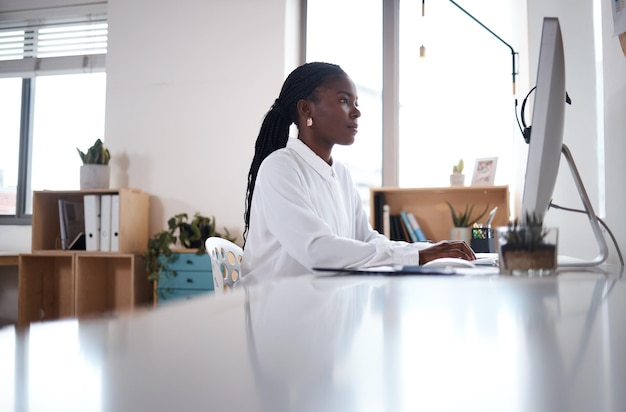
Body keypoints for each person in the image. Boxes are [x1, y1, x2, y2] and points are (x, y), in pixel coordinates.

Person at [241, 62, 474, 282]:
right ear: (306, 109)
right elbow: (316, 250)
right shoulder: (280, 167)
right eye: (344, 100)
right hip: (274, 310)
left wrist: (425, 249)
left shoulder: (340, 174)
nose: (356, 112)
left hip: (319, 304)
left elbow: (366, 239)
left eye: (356, 103)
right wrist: (418, 256)